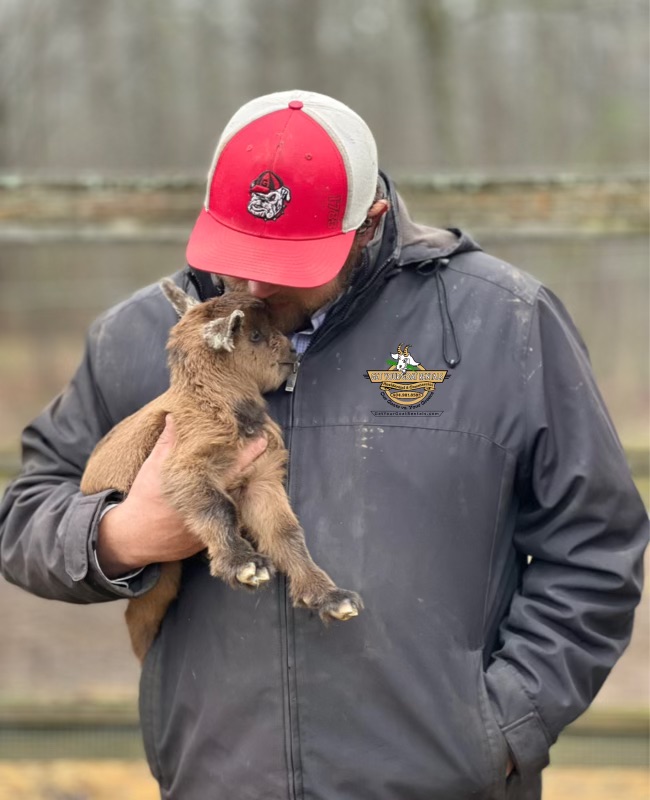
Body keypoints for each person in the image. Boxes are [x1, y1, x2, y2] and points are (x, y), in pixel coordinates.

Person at [0, 90, 647, 800]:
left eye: (287, 259)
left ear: (369, 223)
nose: (249, 282)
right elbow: (26, 519)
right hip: (219, 781)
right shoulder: (138, 335)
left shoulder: (503, 322)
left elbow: (595, 545)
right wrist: (123, 535)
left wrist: (498, 730)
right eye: (236, 250)